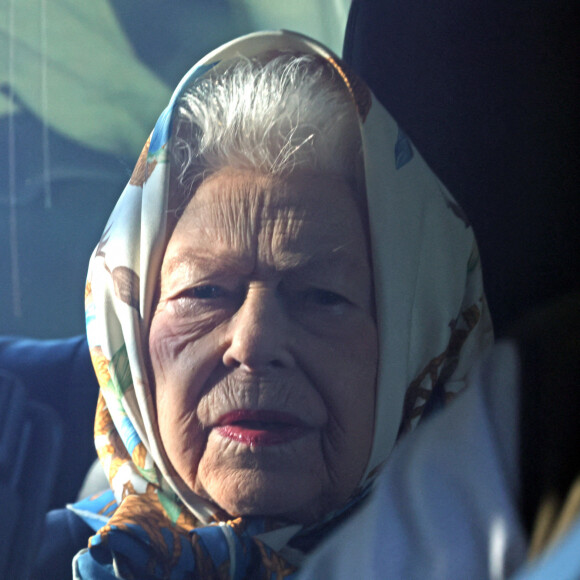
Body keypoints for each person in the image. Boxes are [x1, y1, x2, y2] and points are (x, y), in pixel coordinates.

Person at [44, 31, 492, 578]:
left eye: (322, 297)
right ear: (132, 337)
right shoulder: (37, 556)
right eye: (204, 293)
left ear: (420, 346)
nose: (254, 343)